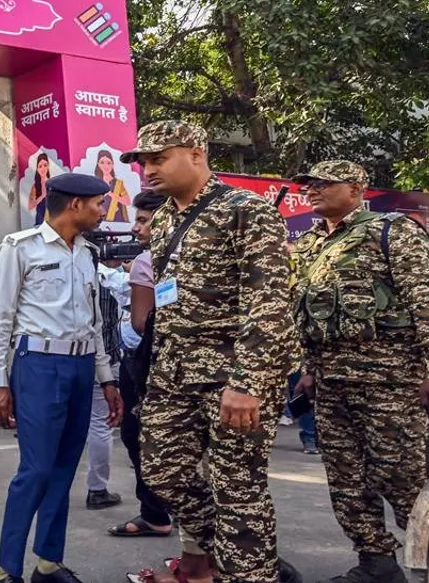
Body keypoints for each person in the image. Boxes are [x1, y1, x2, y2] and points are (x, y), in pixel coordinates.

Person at [123, 121, 297, 583]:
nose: (148, 169)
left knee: (238, 489)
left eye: (159, 158)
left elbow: (270, 302)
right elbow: (168, 298)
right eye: (143, 162)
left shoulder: (246, 210)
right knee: (161, 472)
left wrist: (248, 383)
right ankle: (236, 553)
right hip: (175, 373)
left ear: (197, 153)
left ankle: (250, 572)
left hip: (232, 375)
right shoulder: (164, 221)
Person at [289, 160, 429, 583]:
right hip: (331, 383)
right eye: (310, 185)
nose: (313, 191)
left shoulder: (391, 231)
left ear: (356, 187)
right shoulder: (309, 244)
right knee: (346, 483)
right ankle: (376, 563)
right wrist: (308, 368)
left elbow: (426, 304)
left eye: (325, 184)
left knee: (402, 480)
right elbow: (310, 313)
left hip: (390, 382)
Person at [0, 172, 124, 583]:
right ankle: (5, 570)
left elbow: (94, 321)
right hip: (39, 365)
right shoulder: (19, 247)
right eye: (99, 204)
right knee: (36, 470)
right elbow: (1, 317)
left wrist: (106, 378)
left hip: (81, 367)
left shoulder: (87, 253)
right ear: (75, 205)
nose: (104, 211)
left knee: (65, 467)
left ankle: (48, 563)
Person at [110, 191, 174, 540]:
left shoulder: (147, 261)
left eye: (143, 220)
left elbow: (140, 322)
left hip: (149, 363)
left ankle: (157, 512)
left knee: (141, 437)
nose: (136, 229)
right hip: (178, 364)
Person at [87, 262, 126, 511]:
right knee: (100, 425)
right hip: (106, 358)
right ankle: (97, 489)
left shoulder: (78, 272)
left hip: (70, 358)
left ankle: (50, 489)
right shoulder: (113, 280)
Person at [94, 149, 132, 224]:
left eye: (109, 163)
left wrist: (111, 194)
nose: (105, 166)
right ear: (98, 164)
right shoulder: (95, 182)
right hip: (99, 219)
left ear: (112, 165)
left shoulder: (118, 183)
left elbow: (127, 202)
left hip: (117, 218)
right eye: (102, 162)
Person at [28, 153, 51, 226]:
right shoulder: (35, 186)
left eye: (45, 165)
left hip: (51, 223)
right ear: (37, 169)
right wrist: (42, 197)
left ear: (48, 166)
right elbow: (30, 206)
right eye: (40, 166)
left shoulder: (52, 184)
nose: (43, 168)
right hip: (39, 223)